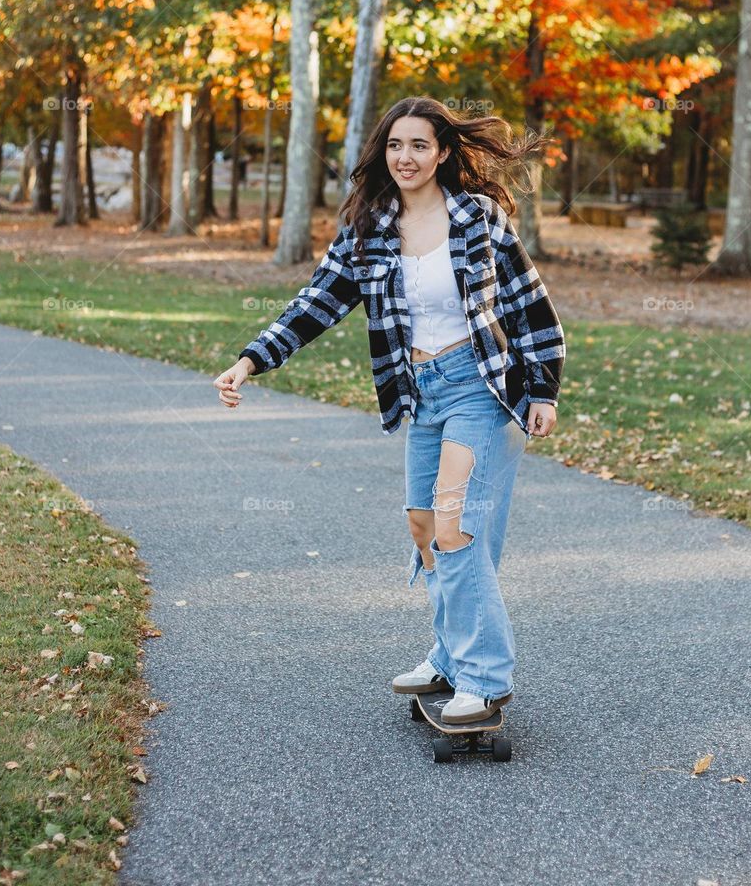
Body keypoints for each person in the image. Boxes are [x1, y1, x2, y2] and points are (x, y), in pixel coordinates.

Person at [213, 96, 565, 723]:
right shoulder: (368, 227)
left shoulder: (478, 218)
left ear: (444, 153)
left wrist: (541, 388)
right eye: (396, 145)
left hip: (479, 386)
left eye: (420, 146)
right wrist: (251, 359)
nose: (406, 157)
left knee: (457, 526)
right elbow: (316, 301)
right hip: (419, 391)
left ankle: (485, 680)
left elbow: (530, 304)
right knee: (425, 530)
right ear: (383, 153)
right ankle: (451, 657)